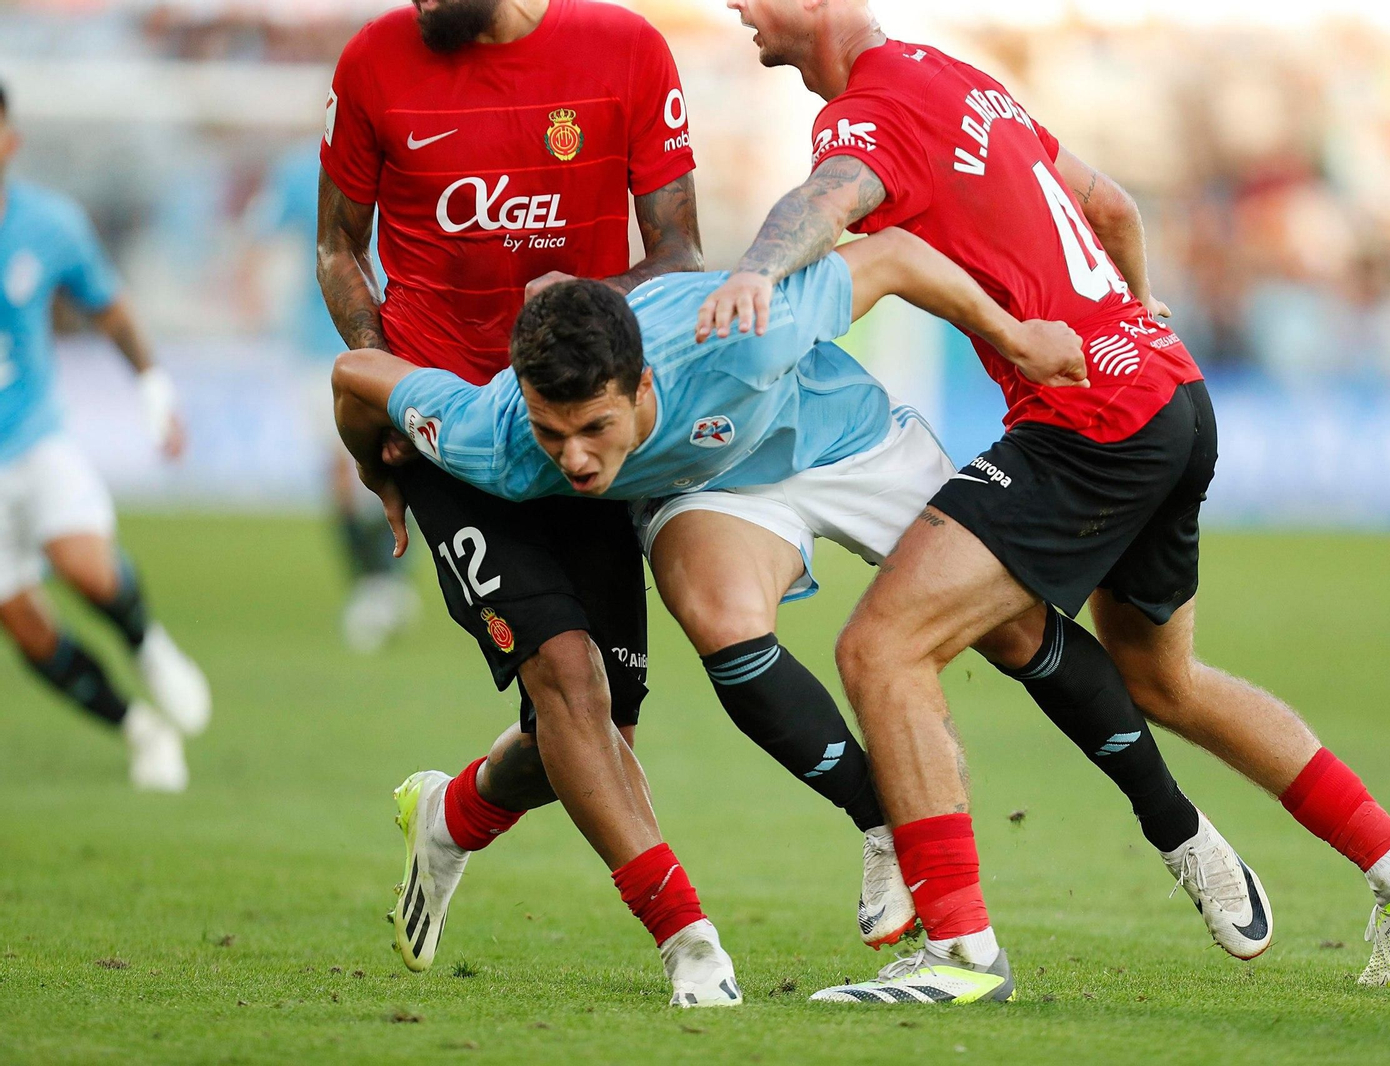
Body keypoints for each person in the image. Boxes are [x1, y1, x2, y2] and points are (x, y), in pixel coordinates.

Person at [706, 0, 1390, 1001]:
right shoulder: (960, 79)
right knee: (1165, 680)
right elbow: (1112, 204)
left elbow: (828, 197)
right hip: (1169, 386)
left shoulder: (870, 109)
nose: (736, 8)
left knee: (881, 646)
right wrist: (1138, 302)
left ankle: (958, 950)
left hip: (1088, 419)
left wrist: (755, 272)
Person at [337, 225, 1262, 990]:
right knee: (716, 613)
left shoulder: (735, 334)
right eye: (554, 433)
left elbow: (895, 254)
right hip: (718, 491)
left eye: (595, 430)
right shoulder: (493, 434)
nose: (574, 460)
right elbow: (357, 377)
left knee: (1013, 627)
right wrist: (374, 474)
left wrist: (1015, 339)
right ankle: (882, 823)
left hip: (847, 440)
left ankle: (1184, 835)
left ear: (646, 386)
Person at [315, 0, 719, 1005]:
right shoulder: (372, 62)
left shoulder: (626, 52)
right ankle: (690, 942)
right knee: (567, 679)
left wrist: (577, 304)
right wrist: (398, 390)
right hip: (452, 427)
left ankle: (449, 814)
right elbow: (338, 247)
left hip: (575, 422)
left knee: (595, 733)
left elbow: (678, 251)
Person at [0, 82, 211, 791]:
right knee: (25, 624)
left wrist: (154, 388)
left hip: (34, 438)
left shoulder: (47, 224)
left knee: (85, 566)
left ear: (11, 140)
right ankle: (139, 729)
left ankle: (146, 641)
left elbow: (110, 309)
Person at [245, 141, 416, 653]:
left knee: (400, 459)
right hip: (323, 339)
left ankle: (390, 581)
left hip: (399, 335)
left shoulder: (406, 164)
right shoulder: (304, 172)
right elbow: (261, 234)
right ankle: (373, 582)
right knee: (342, 471)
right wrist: (251, 291)